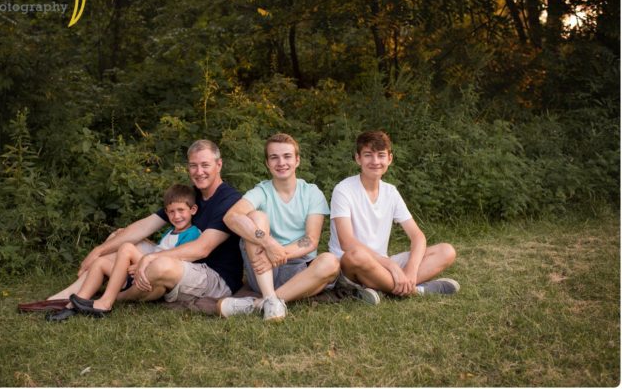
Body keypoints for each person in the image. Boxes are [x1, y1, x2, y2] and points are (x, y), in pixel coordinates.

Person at [19, 139, 244, 322]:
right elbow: (145, 226)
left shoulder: (228, 199)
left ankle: (110, 298)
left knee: (159, 264)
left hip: (214, 277)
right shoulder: (190, 196)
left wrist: (150, 258)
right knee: (119, 237)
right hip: (185, 265)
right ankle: (64, 298)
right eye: (193, 165)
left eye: (205, 165)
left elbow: (202, 249)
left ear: (219, 164)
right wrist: (98, 250)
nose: (199, 171)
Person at [216, 133, 340, 320]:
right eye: (274, 157)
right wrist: (267, 243)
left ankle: (262, 303)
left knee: (331, 262)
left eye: (287, 156)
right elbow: (231, 217)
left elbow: (311, 240)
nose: (281, 162)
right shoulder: (261, 191)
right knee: (256, 217)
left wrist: (278, 253)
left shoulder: (312, 193)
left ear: (297, 160)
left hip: (298, 271)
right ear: (267, 163)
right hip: (263, 270)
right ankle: (269, 297)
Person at [329, 130, 459, 304]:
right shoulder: (343, 190)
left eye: (381, 155)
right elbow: (347, 243)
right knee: (356, 255)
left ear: (389, 159)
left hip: (380, 264)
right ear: (358, 158)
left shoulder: (391, 192)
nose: (375, 161)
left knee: (446, 251)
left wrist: (411, 270)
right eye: (368, 155)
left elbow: (417, 236)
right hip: (350, 266)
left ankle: (389, 287)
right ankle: (417, 290)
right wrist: (391, 266)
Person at [68, 184, 201, 317]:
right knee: (100, 263)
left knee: (127, 247)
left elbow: (178, 259)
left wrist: (141, 263)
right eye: (171, 211)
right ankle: (76, 303)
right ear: (166, 212)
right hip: (139, 271)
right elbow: (158, 249)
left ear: (193, 210)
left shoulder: (192, 233)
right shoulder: (171, 231)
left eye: (181, 210)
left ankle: (105, 302)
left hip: (155, 274)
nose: (176, 216)